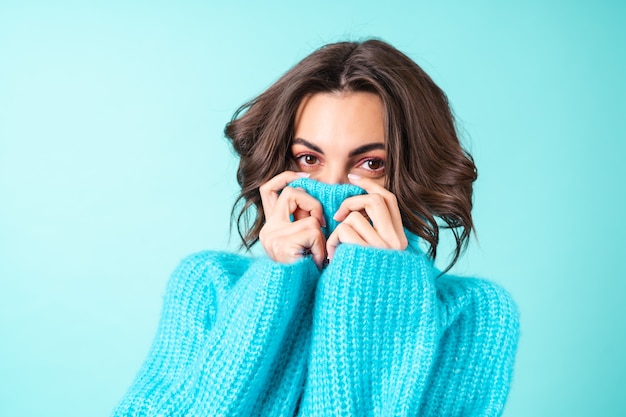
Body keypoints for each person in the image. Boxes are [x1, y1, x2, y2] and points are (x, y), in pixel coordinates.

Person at [112, 39, 519, 416]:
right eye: (309, 159)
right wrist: (274, 288)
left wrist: (371, 289)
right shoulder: (207, 284)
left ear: (411, 173)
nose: (332, 187)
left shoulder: (474, 314)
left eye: (371, 163)